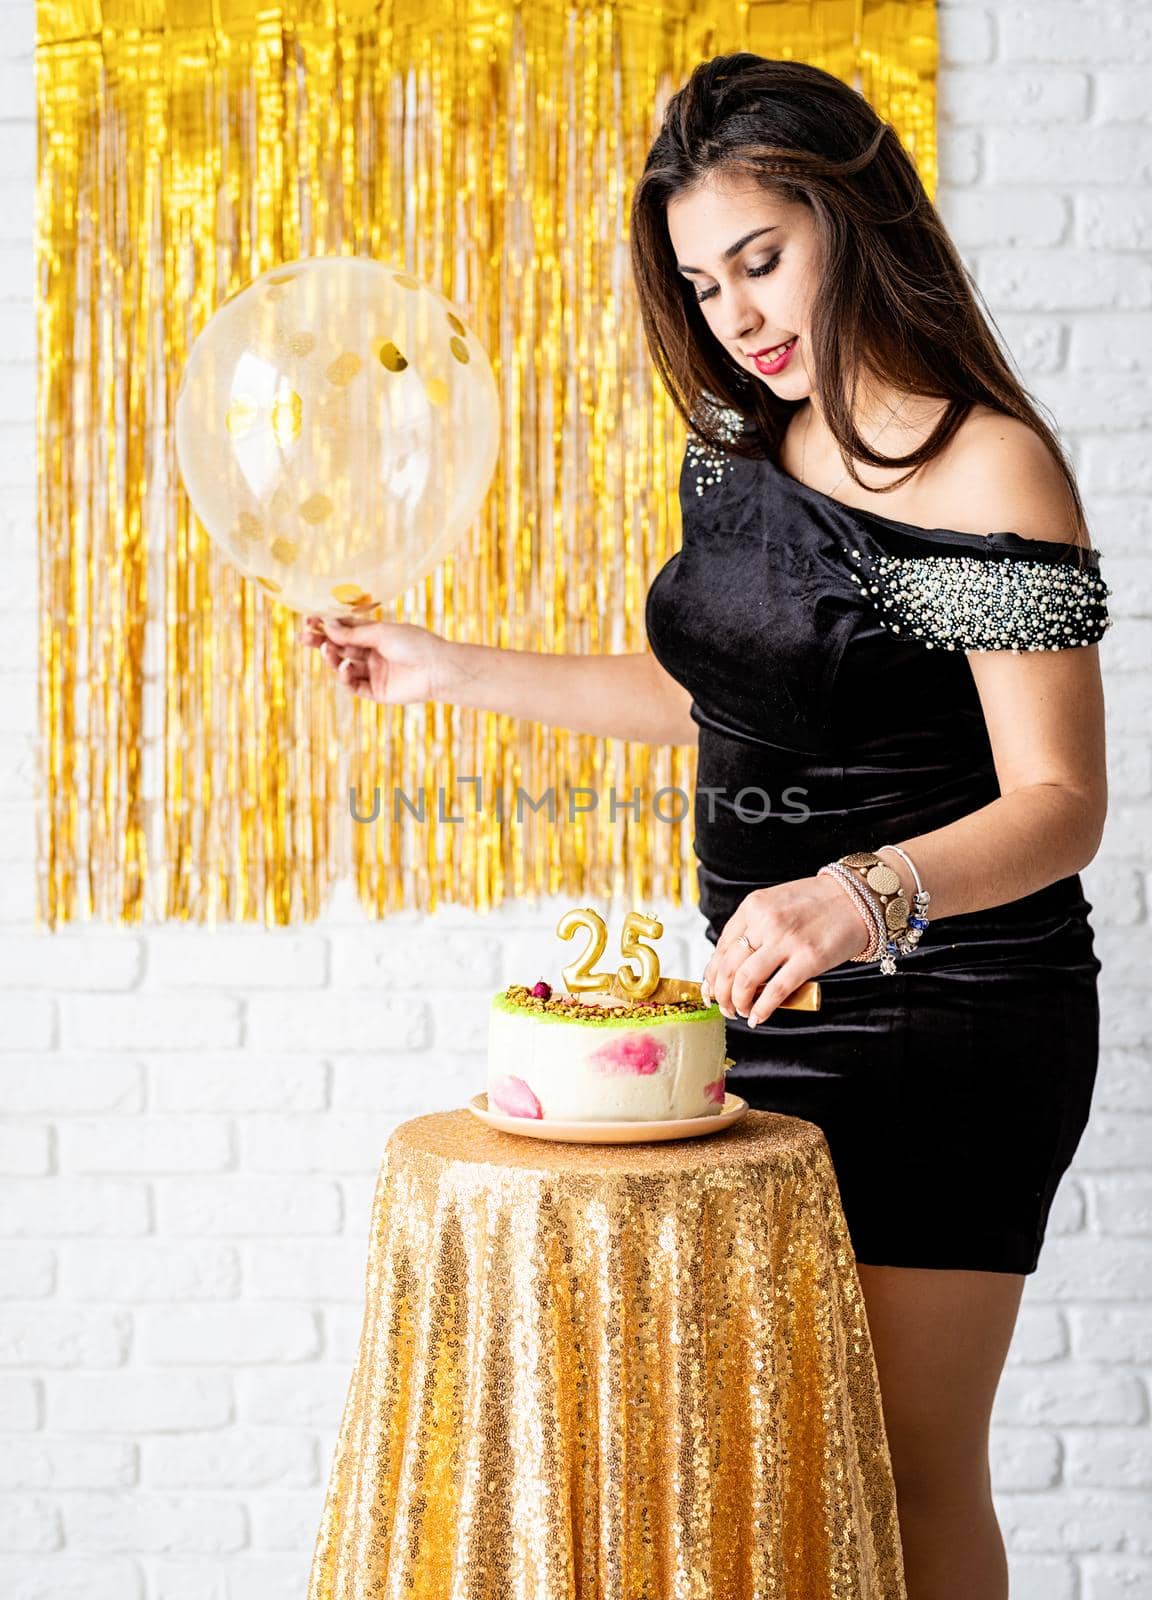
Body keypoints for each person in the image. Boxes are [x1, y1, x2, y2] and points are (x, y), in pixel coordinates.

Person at [300, 54, 1112, 1600]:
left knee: (905, 1469)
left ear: (852, 220)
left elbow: (1060, 803)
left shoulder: (981, 465)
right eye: (703, 279)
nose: (737, 313)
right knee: (782, 1459)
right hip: (771, 1010)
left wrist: (852, 898)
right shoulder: (740, 448)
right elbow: (715, 704)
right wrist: (443, 667)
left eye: (761, 258)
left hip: (949, 1021)